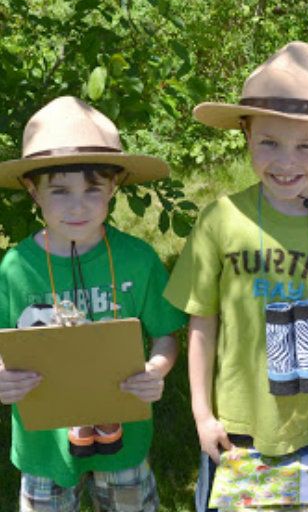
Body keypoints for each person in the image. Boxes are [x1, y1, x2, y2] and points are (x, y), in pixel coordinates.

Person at [164, 41, 308, 511]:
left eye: (306, 146)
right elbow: (201, 323)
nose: (286, 162)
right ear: (246, 136)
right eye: (269, 142)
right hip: (233, 432)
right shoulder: (220, 221)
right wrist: (202, 415)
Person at [0, 96, 186, 512]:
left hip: (125, 438)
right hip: (43, 445)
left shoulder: (137, 259)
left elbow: (165, 336)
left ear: (114, 187)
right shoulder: (14, 268)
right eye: (60, 190)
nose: (77, 205)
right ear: (33, 190)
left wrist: (156, 369)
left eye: (93, 189)